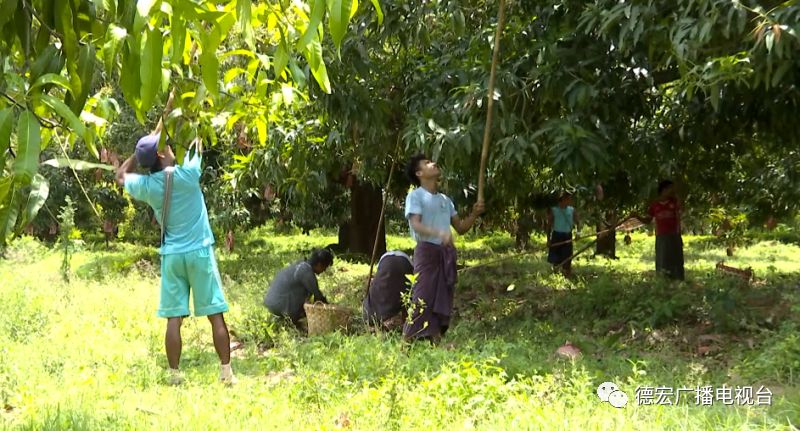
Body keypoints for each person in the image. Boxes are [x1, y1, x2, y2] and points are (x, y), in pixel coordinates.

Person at [115, 94, 236, 386]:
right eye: (165, 148)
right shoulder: (188, 174)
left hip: (172, 257)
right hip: (199, 254)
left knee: (174, 319)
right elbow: (197, 140)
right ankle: (226, 373)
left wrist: (138, 153)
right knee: (215, 315)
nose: (170, 149)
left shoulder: (145, 186)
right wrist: (190, 111)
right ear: (160, 156)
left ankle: (174, 374)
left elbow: (120, 176)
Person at [403, 154, 484, 344]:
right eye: (427, 163)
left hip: (445, 254)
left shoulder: (446, 200)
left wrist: (474, 213)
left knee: (442, 297)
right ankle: (405, 341)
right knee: (421, 297)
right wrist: (439, 233)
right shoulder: (415, 196)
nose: (433, 163)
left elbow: (461, 228)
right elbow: (416, 224)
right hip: (427, 252)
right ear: (419, 173)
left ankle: (435, 341)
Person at [264, 249, 334, 330]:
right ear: (319, 264)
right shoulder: (306, 271)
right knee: (305, 292)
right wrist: (331, 311)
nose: (324, 271)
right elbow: (318, 296)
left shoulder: (301, 265)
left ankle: (291, 319)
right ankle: (292, 321)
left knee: (306, 294)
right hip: (278, 303)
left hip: (272, 302)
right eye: (324, 268)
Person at [635, 180, 685, 280]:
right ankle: (663, 280)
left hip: (674, 235)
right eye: (671, 188)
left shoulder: (674, 202)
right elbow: (647, 220)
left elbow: (682, 209)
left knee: (676, 259)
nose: (673, 191)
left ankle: (678, 280)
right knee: (662, 259)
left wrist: (678, 197)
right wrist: (636, 216)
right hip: (661, 236)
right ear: (664, 190)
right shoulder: (655, 205)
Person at [363, 250, 414, 330]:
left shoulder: (373, 300)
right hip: (403, 263)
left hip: (388, 262)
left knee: (381, 290)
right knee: (404, 292)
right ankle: (406, 324)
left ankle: (378, 321)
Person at [546, 192, 580, 277]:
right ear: (563, 199)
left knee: (567, 257)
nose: (570, 201)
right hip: (556, 235)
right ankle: (556, 275)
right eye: (568, 199)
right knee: (555, 259)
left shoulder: (572, 210)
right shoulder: (554, 210)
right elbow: (549, 225)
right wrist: (548, 240)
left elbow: (578, 222)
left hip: (567, 236)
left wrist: (578, 233)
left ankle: (567, 275)